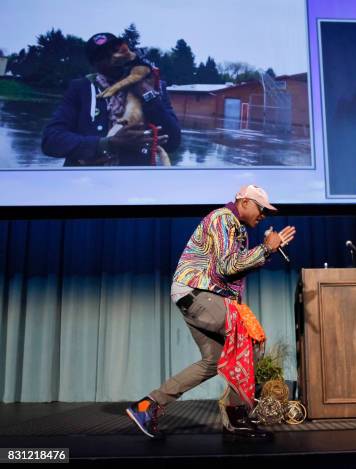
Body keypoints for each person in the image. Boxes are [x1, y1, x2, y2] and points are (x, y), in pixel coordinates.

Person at [126, 184, 296, 440]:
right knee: (247, 338)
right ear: (245, 202)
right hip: (197, 293)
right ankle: (238, 417)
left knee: (214, 360)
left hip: (196, 295)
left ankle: (146, 406)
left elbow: (231, 270)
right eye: (262, 209)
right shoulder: (223, 219)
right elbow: (227, 268)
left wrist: (263, 250)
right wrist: (266, 249)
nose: (264, 216)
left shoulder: (235, 226)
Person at [41, 32, 181, 166]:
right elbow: (51, 141)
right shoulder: (80, 88)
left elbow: (173, 143)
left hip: (134, 182)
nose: (114, 58)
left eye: (115, 50)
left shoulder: (154, 85)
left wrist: (147, 93)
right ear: (94, 65)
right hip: (86, 182)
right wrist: (109, 144)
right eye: (104, 56)